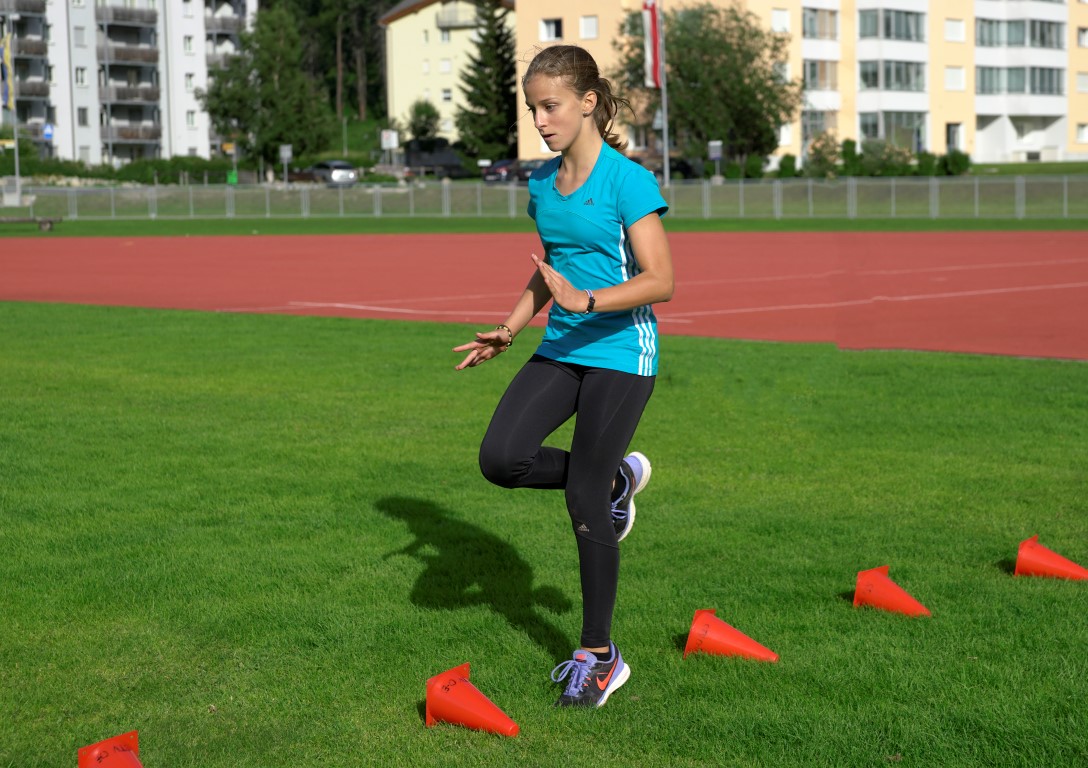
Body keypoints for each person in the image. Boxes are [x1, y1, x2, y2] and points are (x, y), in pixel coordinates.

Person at [453, 44, 674, 709]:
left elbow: (661, 280)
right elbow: (549, 270)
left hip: (621, 351)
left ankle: (599, 656)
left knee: (581, 497)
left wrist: (588, 300)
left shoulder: (628, 181)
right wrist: (511, 327)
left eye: (550, 107)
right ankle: (614, 478)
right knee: (501, 458)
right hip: (562, 347)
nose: (540, 121)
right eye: (532, 109)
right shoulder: (542, 185)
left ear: (587, 103)